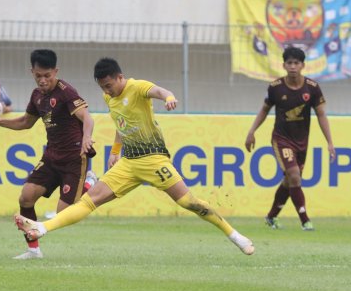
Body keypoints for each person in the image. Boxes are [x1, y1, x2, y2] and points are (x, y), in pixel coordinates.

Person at [14, 57, 255, 256]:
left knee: (188, 202)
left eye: (109, 85)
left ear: (120, 77)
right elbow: (123, 123)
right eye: (102, 87)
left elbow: (159, 90)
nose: (106, 91)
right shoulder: (110, 98)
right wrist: (115, 152)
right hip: (128, 163)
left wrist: (169, 97)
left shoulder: (137, 87)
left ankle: (235, 235)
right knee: (88, 202)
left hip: (154, 159)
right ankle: (41, 228)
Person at [0, 49, 97, 260]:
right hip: (52, 156)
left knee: (63, 213)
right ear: (32, 72)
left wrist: (86, 138)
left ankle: (89, 183)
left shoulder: (66, 92)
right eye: (38, 76)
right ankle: (33, 250)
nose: (43, 80)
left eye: (47, 75)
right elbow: (25, 122)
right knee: (26, 197)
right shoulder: (37, 96)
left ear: (56, 71)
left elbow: (87, 118)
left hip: (74, 157)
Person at [244, 46, 335, 231]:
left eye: (296, 63)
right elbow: (264, 110)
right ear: (284, 65)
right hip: (281, 140)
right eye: (289, 63)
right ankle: (305, 220)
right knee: (294, 175)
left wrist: (330, 142)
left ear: (303, 65)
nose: (293, 66)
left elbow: (321, 115)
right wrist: (251, 132)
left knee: (289, 180)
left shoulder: (312, 88)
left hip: (302, 142)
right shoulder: (275, 88)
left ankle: (271, 217)